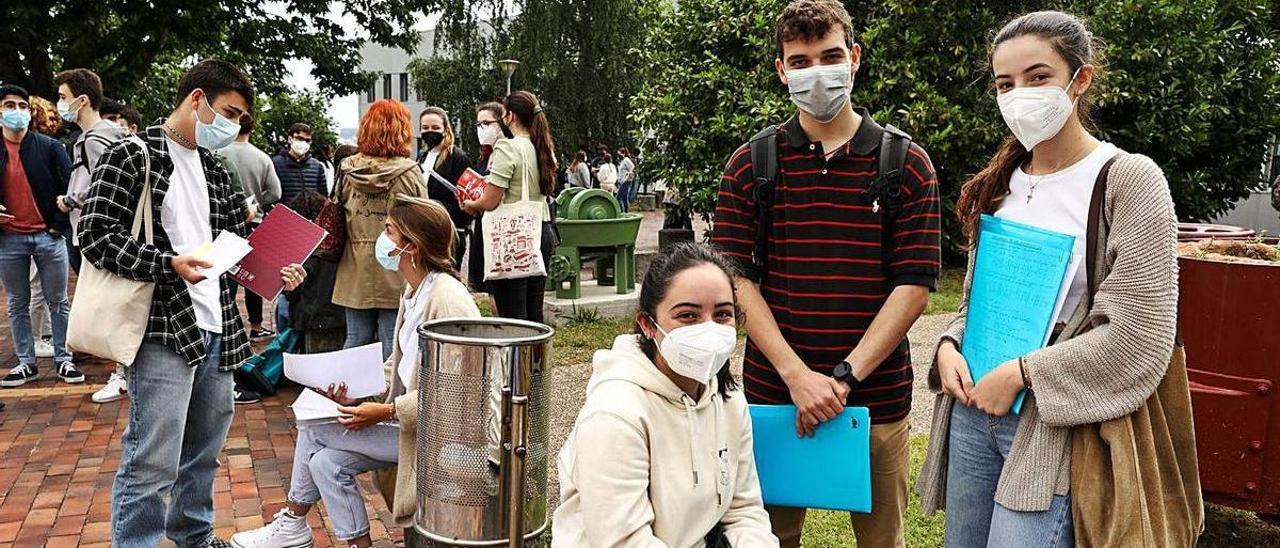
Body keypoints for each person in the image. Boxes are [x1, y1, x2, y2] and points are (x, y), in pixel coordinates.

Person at [915, 11, 1187, 546]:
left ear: (1079, 79)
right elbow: (977, 302)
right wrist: (948, 343)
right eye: (1004, 84)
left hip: (1052, 425)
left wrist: (1021, 374)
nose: (1020, 95)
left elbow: (1140, 334)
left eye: (1038, 78)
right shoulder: (1004, 183)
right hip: (973, 411)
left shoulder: (1127, 180)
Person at [710, 2, 943, 546]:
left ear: (854, 58)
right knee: (767, 537)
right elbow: (736, 283)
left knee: (881, 539)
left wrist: (842, 380)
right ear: (781, 70)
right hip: (774, 397)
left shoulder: (906, 164)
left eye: (831, 56)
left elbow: (913, 288)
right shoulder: (751, 165)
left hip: (876, 401)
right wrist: (797, 377)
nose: (817, 71)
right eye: (801, 60)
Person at [78, 59, 307, 547]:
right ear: (197, 99)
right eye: (229, 112)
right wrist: (168, 264)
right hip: (164, 324)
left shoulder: (215, 168)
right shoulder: (132, 155)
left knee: (204, 451)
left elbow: (238, 243)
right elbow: (95, 235)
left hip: (219, 325)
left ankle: (194, 538)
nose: (233, 126)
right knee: (153, 457)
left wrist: (280, 269)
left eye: (241, 120)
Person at [230, 197, 481, 548]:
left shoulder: (448, 299)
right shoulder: (414, 291)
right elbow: (402, 364)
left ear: (411, 245)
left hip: (440, 434)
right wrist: (360, 390)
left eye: (389, 231)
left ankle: (292, 521)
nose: (381, 238)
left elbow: (461, 390)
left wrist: (389, 410)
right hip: (414, 421)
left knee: (315, 426)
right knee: (326, 464)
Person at [553, 242, 778, 547]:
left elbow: (744, 511)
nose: (709, 329)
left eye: (722, 314)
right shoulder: (615, 415)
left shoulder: (727, 399)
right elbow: (624, 541)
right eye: (688, 316)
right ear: (648, 324)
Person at [333, 99, 427, 359]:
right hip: (397, 263)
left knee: (355, 338)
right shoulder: (409, 172)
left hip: (354, 263)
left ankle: (347, 395)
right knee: (392, 339)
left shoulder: (348, 170)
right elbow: (424, 218)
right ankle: (388, 397)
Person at [0, 84, 80, 388]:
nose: (17, 112)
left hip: (49, 236)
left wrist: (58, 225)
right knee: (17, 303)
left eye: (22, 105)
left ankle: (64, 359)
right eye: (9, 105)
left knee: (58, 301)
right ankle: (26, 362)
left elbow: (70, 185)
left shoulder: (48, 146)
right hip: (9, 239)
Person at [461, 91, 558, 323]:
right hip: (541, 229)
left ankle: (517, 360)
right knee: (534, 312)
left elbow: (491, 199)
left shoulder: (507, 148)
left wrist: (471, 204)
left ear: (511, 116)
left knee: (512, 316)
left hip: (511, 235)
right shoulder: (542, 146)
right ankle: (537, 360)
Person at [55, 69, 131, 275]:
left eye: (63, 97)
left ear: (82, 101)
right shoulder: (113, 134)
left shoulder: (94, 140)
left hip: (96, 236)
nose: (60, 103)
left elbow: (107, 188)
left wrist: (71, 200)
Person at [220, 112, 282, 341]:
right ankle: (256, 327)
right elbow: (275, 192)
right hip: (255, 224)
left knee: (227, 275)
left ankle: (226, 326)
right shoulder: (262, 158)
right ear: (252, 129)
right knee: (252, 277)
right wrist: (255, 203)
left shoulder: (219, 154)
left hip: (224, 224)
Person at [416, 106, 473, 267]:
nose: (429, 132)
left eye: (435, 128)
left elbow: (465, 202)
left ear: (445, 129)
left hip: (449, 232)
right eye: (425, 128)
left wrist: (435, 207)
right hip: (425, 230)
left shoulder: (457, 157)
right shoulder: (422, 156)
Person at [467, 102, 504, 297]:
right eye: (478, 124)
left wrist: (474, 203)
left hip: (501, 226)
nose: (482, 129)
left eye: (486, 123)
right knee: (488, 289)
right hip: (483, 223)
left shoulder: (505, 152)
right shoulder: (485, 155)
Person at [616, 146, 636, 212]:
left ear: (623, 153)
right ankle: (626, 211)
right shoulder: (622, 161)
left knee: (618, 197)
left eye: (619, 154)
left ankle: (621, 211)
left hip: (625, 181)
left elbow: (632, 168)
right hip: (621, 181)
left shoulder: (626, 160)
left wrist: (628, 176)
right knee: (624, 198)